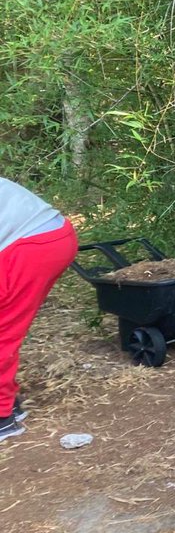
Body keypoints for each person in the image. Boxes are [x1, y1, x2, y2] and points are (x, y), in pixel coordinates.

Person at [0, 178, 79, 442]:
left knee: (3, 328)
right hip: (44, 236)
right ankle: (8, 403)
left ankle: (2, 417)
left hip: (32, 244)